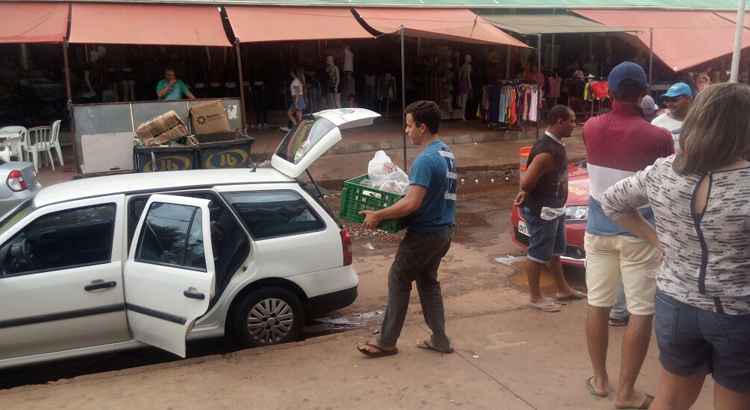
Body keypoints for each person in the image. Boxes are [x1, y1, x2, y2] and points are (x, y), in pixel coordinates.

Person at [599, 82, 750, 410]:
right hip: (738, 313)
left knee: (670, 399)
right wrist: (657, 238)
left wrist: (658, 238)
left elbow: (610, 202)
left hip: (676, 305)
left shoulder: (664, 171)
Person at [582, 62, 674, 409]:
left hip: (597, 231)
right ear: (644, 93)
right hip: (640, 234)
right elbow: (663, 184)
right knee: (639, 311)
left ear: (609, 91)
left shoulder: (590, 127)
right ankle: (626, 392)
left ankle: (600, 379)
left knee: (597, 304)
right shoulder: (659, 136)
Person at [356, 100, 457, 358]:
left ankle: (386, 341)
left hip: (425, 234)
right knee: (427, 281)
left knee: (399, 277)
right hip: (444, 231)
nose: (406, 130)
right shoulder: (446, 153)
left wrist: (379, 214)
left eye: (409, 125)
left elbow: (412, 202)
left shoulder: (426, 159)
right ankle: (440, 339)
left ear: (422, 127)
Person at [513, 105, 586, 312]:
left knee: (555, 252)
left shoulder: (555, 145)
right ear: (559, 121)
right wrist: (525, 190)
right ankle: (535, 297)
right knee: (537, 253)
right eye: (571, 121)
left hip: (554, 209)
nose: (574, 125)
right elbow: (527, 181)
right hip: (543, 211)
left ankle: (563, 289)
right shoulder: (547, 152)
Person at [651, 82, 693, 153]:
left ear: (689, 99)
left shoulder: (700, 121)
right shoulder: (657, 123)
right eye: (667, 100)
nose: (669, 104)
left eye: (674, 100)